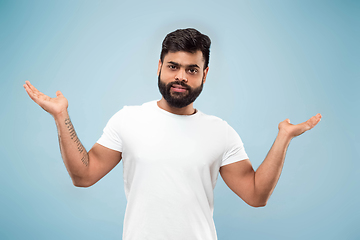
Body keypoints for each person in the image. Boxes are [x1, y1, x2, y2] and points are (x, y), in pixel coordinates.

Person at [24, 28, 322, 240]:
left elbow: (256, 195)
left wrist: (284, 138)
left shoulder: (221, 132)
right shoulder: (128, 119)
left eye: (192, 69)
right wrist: (61, 116)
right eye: (173, 66)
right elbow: (83, 176)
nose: (181, 75)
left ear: (205, 74)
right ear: (159, 67)